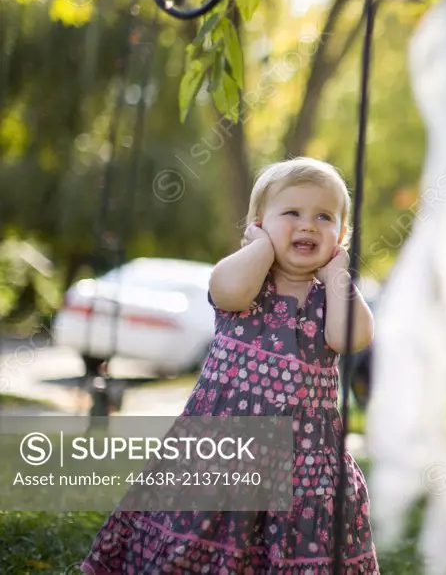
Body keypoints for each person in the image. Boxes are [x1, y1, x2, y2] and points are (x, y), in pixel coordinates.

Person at [80, 157, 379, 574]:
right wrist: (258, 246)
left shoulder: (330, 296)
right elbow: (228, 292)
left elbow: (351, 337)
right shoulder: (247, 279)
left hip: (306, 457)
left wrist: (339, 275)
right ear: (258, 222)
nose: (308, 225)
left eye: (324, 217)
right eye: (291, 213)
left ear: (341, 236)